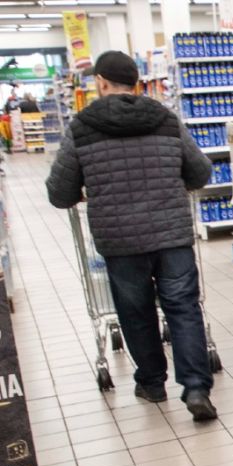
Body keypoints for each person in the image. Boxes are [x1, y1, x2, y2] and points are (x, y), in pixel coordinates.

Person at [45, 51, 217, 420]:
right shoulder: (166, 119)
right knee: (183, 307)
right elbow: (200, 172)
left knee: (135, 311)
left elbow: (59, 193)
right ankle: (196, 388)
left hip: (120, 242)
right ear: (137, 84)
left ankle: (152, 383)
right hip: (172, 236)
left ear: (101, 82)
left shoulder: (81, 127)